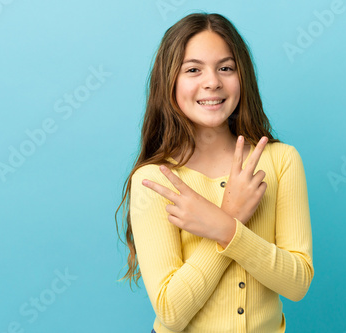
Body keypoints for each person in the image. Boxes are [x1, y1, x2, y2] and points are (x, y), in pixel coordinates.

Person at [115, 12, 314, 333]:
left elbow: (298, 284)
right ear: (169, 82)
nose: (212, 82)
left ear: (242, 76)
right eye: (193, 69)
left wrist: (224, 228)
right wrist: (231, 215)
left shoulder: (281, 161)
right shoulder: (154, 181)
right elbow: (170, 312)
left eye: (226, 68)